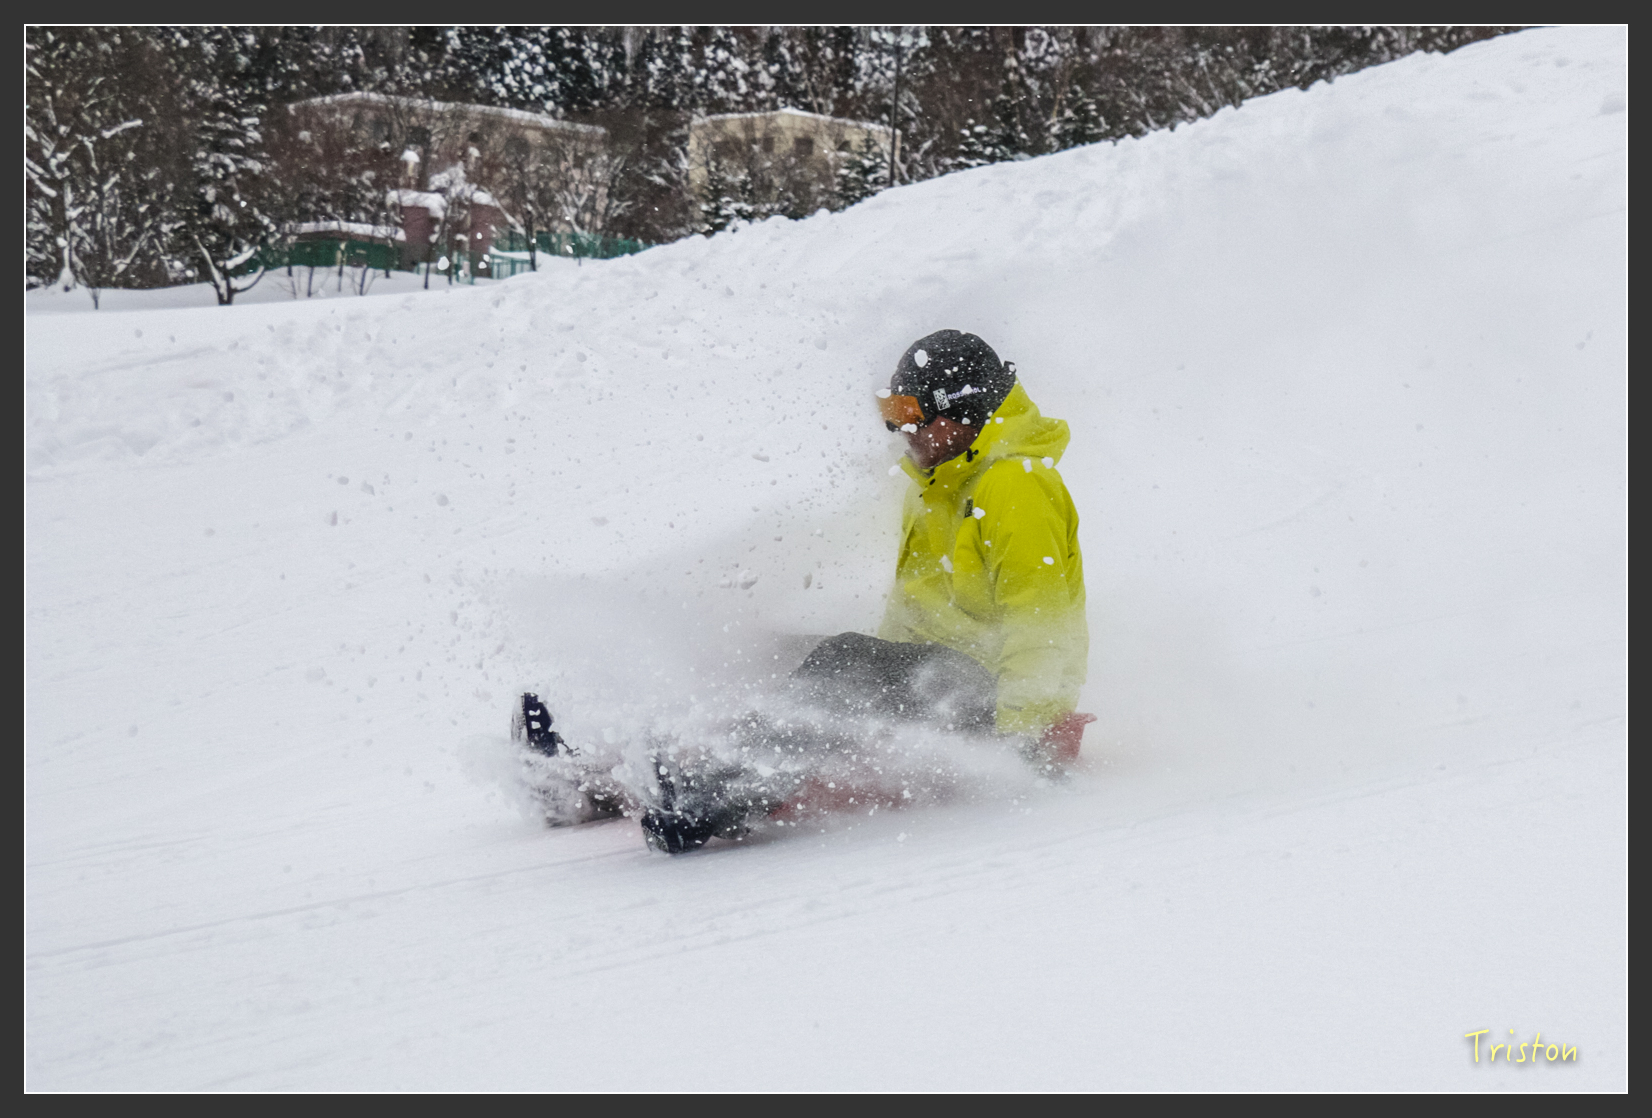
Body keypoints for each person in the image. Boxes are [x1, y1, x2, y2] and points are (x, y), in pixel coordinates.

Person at [518, 329, 1090, 853]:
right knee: (770, 652)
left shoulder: (1016, 483)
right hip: (938, 678)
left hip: (991, 702)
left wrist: (1025, 736)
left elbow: (1042, 621)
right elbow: (913, 623)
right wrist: (872, 675)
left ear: (962, 414)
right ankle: (594, 782)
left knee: (845, 663)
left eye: (911, 413)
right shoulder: (940, 488)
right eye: (891, 412)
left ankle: (706, 795)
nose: (899, 430)